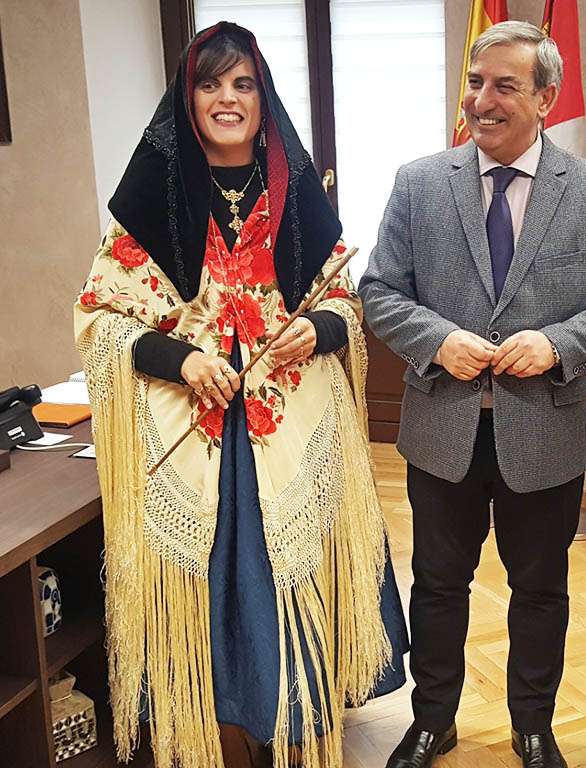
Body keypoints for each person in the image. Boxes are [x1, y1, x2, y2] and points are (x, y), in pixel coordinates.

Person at [74, 22, 407, 768]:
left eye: (243, 84)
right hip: (190, 429)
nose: (227, 98)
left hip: (291, 421)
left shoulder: (294, 192)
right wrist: (182, 361)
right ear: (187, 99)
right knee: (210, 585)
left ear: (263, 99)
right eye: (210, 84)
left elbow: (344, 300)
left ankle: (296, 723)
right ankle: (218, 731)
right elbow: (100, 318)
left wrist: (318, 328)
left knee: (292, 575)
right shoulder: (152, 198)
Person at [359, 20, 586, 768]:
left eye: (505, 86)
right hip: (441, 430)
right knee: (437, 585)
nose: (481, 100)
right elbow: (379, 291)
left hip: (545, 431)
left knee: (541, 589)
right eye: (476, 83)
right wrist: (437, 340)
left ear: (547, 98)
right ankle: (432, 721)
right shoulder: (420, 183)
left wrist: (557, 345)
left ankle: (533, 726)